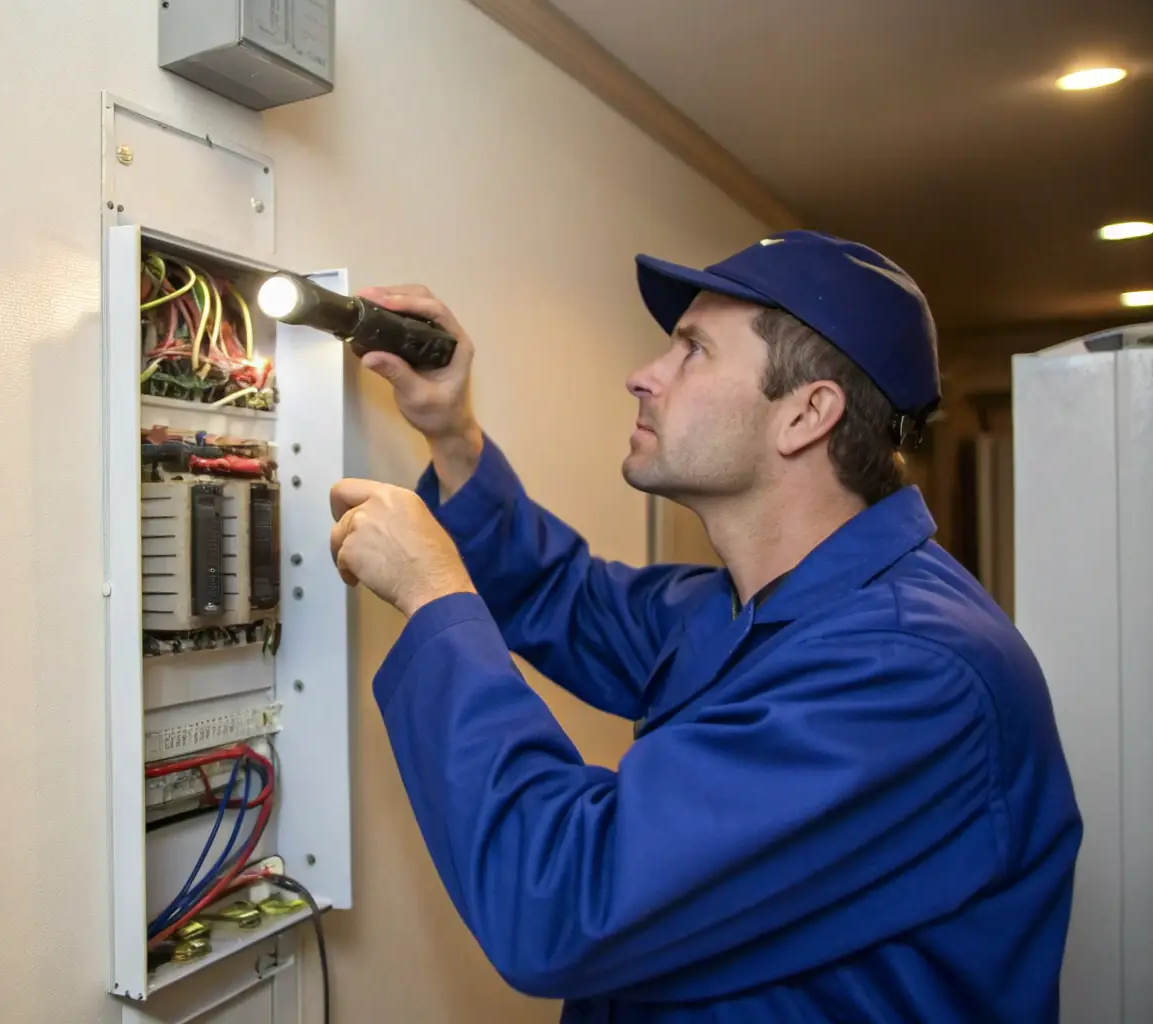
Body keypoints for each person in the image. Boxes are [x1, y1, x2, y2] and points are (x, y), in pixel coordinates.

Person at [327, 230, 1082, 1023]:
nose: (642, 375)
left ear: (805, 414)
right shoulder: (753, 605)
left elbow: (564, 899)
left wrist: (433, 595)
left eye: (692, 350)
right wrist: (452, 435)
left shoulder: (908, 672)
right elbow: (561, 595)